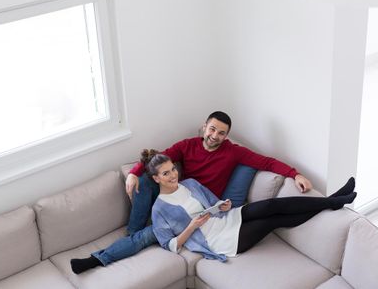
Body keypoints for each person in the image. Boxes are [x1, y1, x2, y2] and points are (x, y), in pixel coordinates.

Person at [71, 111, 314, 273]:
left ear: (226, 135)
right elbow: (158, 160)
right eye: (212, 129)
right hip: (177, 200)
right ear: (204, 127)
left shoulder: (233, 152)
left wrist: (296, 174)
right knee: (145, 184)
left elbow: (267, 163)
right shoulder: (187, 146)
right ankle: (130, 232)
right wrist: (134, 172)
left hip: (199, 205)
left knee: (148, 237)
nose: (215, 136)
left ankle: (102, 256)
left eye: (221, 133)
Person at [147, 151, 356, 259]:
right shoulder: (159, 209)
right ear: (156, 179)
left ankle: (332, 200)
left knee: (271, 205)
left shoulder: (189, 184)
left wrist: (223, 205)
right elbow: (170, 245)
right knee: (272, 222)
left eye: (173, 169)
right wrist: (192, 226)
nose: (173, 175)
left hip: (228, 218)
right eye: (166, 173)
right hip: (220, 241)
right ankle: (333, 202)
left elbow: (213, 203)